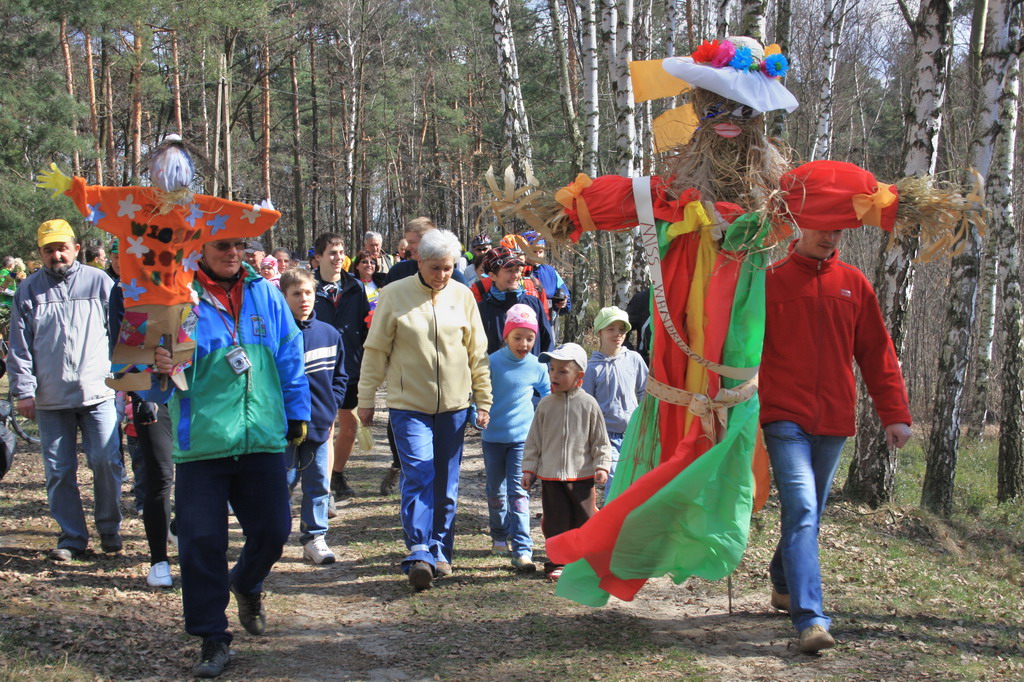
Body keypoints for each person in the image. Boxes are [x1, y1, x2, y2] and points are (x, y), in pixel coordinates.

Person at [761, 160, 912, 654]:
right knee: (803, 507)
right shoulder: (769, 281)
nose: (830, 236)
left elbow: (877, 352)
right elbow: (741, 349)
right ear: (801, 224)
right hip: (783, 416)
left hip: (834, 419)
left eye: (839, 229)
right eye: (823, 227)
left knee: (810, 511)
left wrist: (894, 414)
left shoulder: (854, 283)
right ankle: (811, 619)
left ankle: (782, 578)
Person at [154, 235, 309, 678]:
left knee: (275, 531)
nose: (231, 253)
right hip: (202, 443)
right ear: (200, 249)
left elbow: (289, 355)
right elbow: (145, 377)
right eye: (221, 245)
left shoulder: (265, 293)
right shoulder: (177, 295)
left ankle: (245, 580)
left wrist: (297, 412)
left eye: (238, 245)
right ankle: (212, 639)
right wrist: (157, 364)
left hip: (261, 437)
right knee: (201, 542)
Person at [357, 228, 492, 591]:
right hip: (408, 406)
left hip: (454, 406)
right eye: (435, 268)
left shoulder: (463, 296)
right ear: (419, 261)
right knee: (419, 474)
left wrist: (483, 399)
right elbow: (375, 351)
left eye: (448, 268)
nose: (442, 275)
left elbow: (477, 353)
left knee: (446, 483)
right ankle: (419, 551)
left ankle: (441, 550)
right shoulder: (393, 295)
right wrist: (366, 398)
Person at [7, 219, 123, 561]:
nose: (56, 255)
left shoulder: (99, 281)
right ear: (40, 253)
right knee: (59, 471)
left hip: (98, 391)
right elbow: (19, 345)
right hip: (51, 397)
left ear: (76, 248)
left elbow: (121, 331)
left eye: (62, 248)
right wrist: (24, 390)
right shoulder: (28, 290)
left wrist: (125, 379)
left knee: (106, 461)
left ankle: (109, 529)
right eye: (49, 250)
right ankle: (72, 537)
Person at [521, 343, 613, 581]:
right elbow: (534, 441)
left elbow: (600, 440)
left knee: (585, 520)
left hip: (581, 475)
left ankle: (586, 562)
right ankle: (558, 562)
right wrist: (529, 469)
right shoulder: (545, 405)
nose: (555, 375)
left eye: (562, 371)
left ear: (579, 376)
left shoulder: (588, 404)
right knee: (556, 521)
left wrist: (602, 465)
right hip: (551, 476)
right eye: (552, 369)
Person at [281, 268, 347, 565]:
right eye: (296, 294)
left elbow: (340, 377)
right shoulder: (277, 334)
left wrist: (331, 406)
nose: (303, 299)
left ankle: (314, 536)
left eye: (308, 292)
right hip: (283, 427)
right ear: (284, 297)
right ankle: (274, 535)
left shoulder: (329, 334)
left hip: (319, 423)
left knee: (318, 482)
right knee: (282, 482)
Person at [482, 304, 550, 572]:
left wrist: (546, 417)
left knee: (519, 492)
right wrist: (478, 413)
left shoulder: (537, 365)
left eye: (529, 338)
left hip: (523, 440)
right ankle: (499, 536)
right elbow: (479, 393)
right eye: (517, 337)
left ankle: (523, 549)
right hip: (493, 438)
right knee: (495, 491)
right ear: (506, 336)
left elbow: (548, 393)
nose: (524, 344)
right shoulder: (492, 362)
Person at [312, 232, 370, 502]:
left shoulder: (355, 286)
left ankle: (337, 474)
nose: (338, 258)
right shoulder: (308, 286)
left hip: (350, 366)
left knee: (349, 427)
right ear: (318, 257)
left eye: (341, 252)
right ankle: (320, 486)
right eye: (332, 253)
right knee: (324, 428)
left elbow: (364, 323)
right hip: (318, 367)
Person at [582, 306, 648, 496]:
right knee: (616, 480)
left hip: (633, 432)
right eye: (611, 329)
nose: (617, 334)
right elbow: (586, 406)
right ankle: (611, 513)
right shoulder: (592, 368)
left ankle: (627, 514)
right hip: (606, 437)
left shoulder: (634, 359)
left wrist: (644, 420)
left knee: (633, 480)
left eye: (621, 329)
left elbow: (645, 390)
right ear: (600, 332)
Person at [475, 247, 553, 357]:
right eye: (509, 271)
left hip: (532, 368)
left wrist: (546, 366)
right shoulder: (482, 310)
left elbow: (548, 343)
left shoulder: (534, 304)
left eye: (517, 270)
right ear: (492, 276)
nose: (515, 275)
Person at [384, 217, 468, 286]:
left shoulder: (455, 278)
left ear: (427, 241)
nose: (408, 247)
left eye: (412, 242)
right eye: (435, 268)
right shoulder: (398, 272)